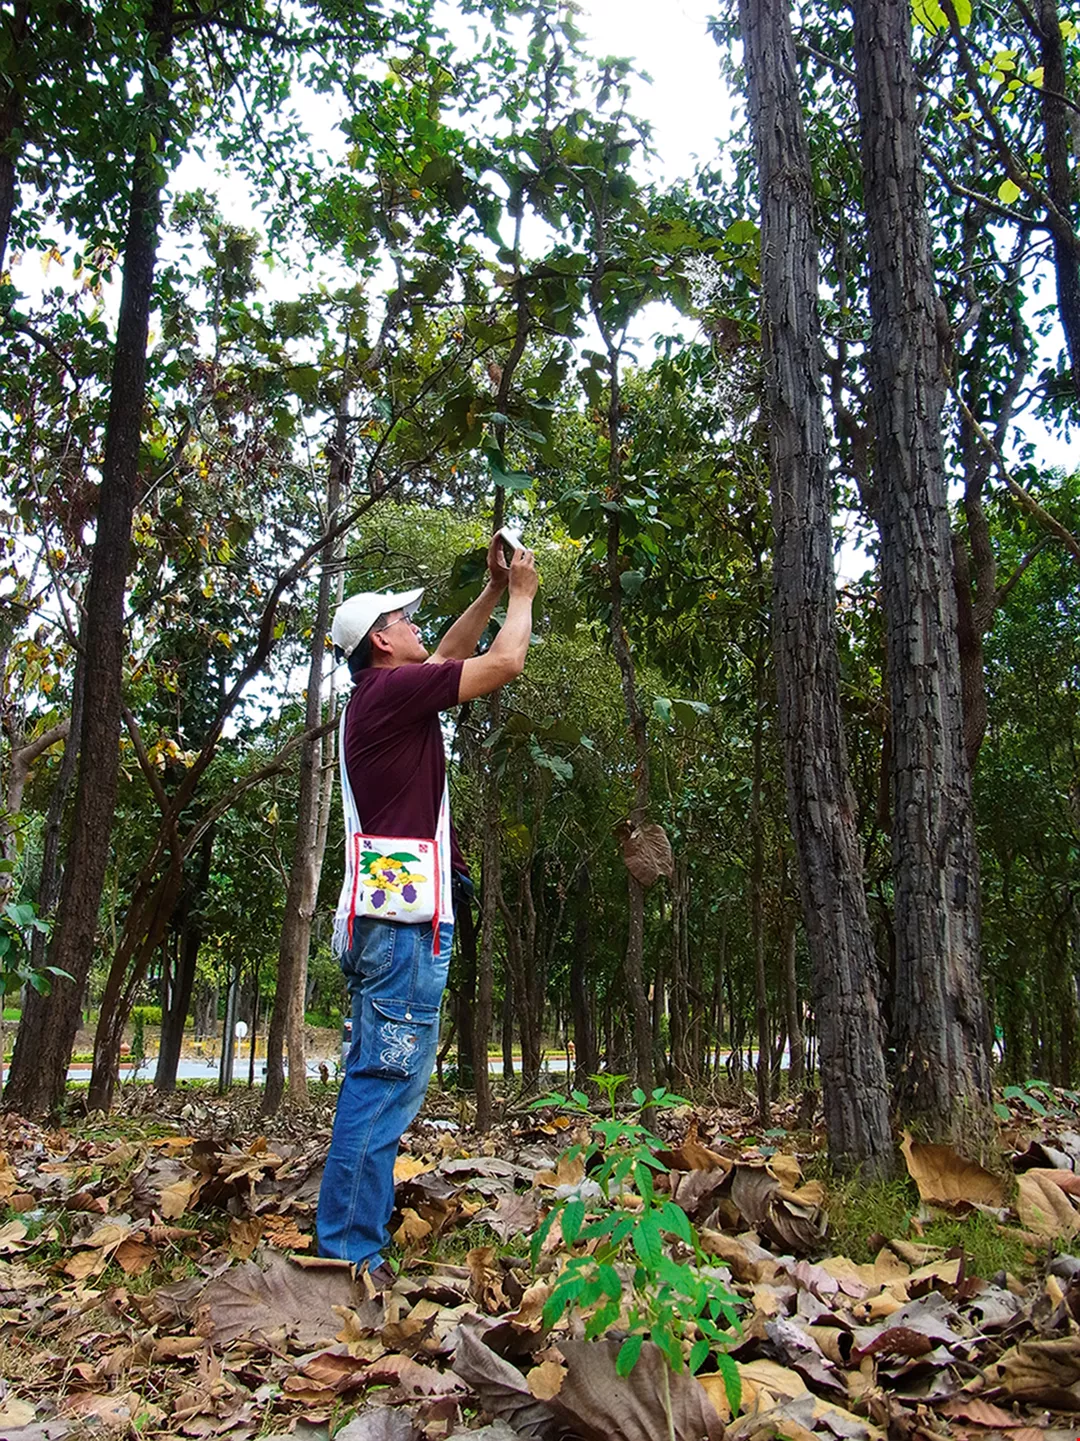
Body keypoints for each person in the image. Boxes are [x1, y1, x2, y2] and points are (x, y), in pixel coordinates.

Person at [316, 535, 538, 1278]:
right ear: (381, 640)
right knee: (383, 1085)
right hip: (402, 929)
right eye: (404, 619)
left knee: (382, 1079)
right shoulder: (390, 694)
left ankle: (350, 1239)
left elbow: (447, 652)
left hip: (388, 921)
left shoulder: (381, 697)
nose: (417, 625)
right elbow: (502, 663)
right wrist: (524, 595)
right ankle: (349, 1253)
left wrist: (487, 592)